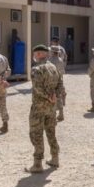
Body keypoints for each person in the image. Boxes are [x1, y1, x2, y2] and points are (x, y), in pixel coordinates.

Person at [26, 45, 63, 173]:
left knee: (36, 134)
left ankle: (37, 164)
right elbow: (60, 84)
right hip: (51, 107)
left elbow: (37, 88)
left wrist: (48, 96)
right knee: (51, 132)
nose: (34, 56)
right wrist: (55, 96)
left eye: (35, 54)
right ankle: (55, 158)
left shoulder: (36, 69)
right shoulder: (53, 67)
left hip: (39, 107)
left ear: (39, 54)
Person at [50, 46, 66, 122]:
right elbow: (63, 71)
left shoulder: (50, 61)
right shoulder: (60, 60)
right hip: (59, 80)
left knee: (52, 97)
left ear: (52, 52)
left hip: (52, 81)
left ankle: (53, 115)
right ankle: (61, 114)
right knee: (59, 96)